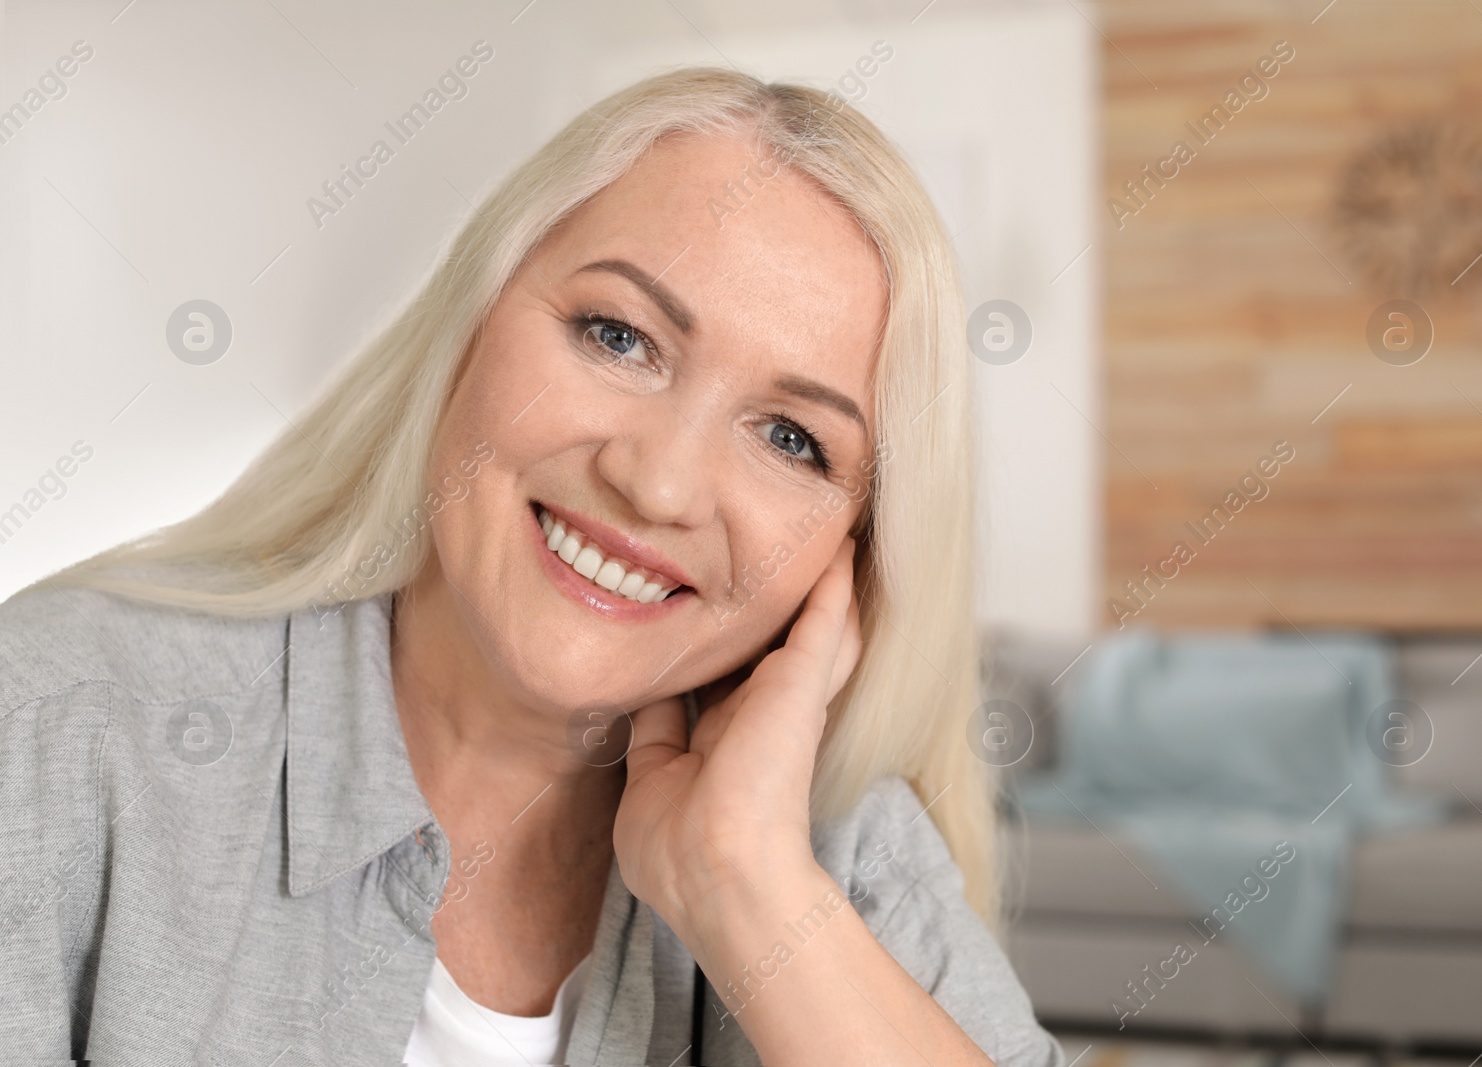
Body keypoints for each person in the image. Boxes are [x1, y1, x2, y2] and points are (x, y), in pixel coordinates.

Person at [0, 67, 1066, 1066]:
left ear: (852, 559)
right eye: (617, 335)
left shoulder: (833, 850)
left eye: (791, 438)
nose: (658, 485)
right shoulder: (59, 728)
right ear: (469, 324)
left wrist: (744, 884)